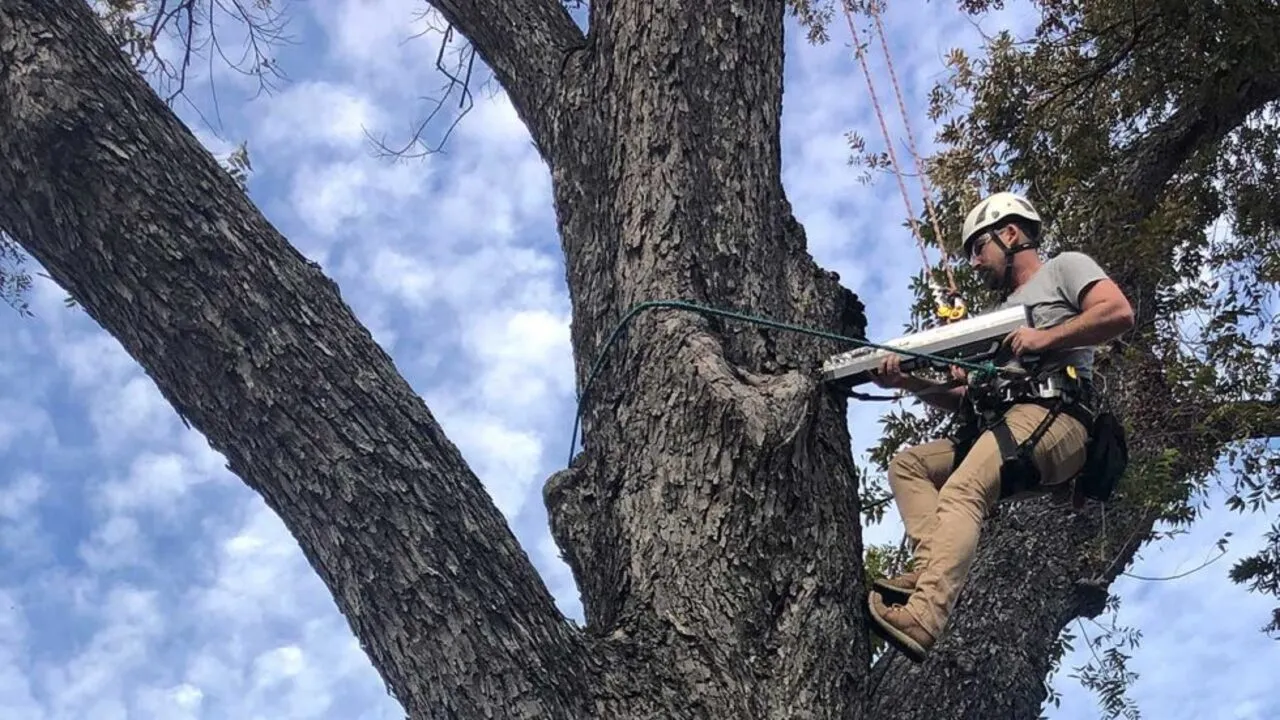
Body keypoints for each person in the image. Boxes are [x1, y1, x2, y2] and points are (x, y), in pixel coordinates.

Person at [864, 191, 1135, 662]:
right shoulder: (997, 322)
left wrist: (1044, 338)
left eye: (978, 248)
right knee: (910, 467)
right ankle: (929, 571)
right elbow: (964, 401)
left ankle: (926, 615)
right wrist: (910, 381)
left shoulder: (1064, 268)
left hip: (1055, 417)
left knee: (963, 491)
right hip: (1009, 424)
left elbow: (1117, 313)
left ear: (1010, 234)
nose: (974, 262)